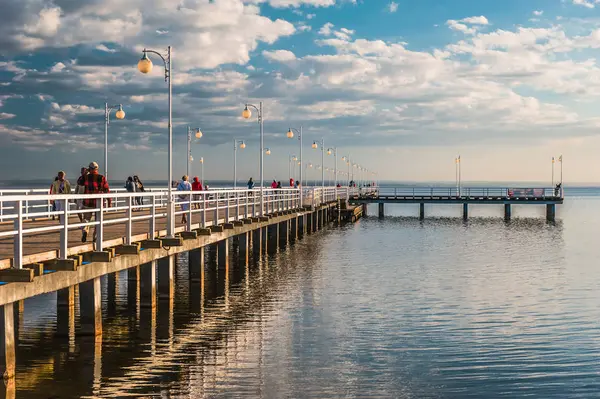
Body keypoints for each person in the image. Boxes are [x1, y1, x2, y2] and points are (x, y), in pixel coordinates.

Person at [81, 162, 111, 243]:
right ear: (97, 169)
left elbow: (79, 182)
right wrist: (109, 201)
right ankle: (95, 237)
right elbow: (107, 190)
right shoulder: (102, 177)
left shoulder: (86, 177)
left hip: (87, 202)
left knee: (86, 219)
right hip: (98, 203)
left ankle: (85, 231)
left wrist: (85, 173)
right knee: (98, 221)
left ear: (89, 169)